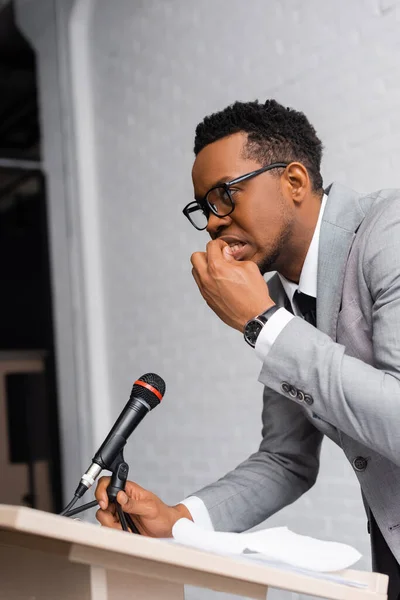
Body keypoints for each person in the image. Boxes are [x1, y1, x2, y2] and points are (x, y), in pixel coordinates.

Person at [95, 99, 400, 599]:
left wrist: (263, 325)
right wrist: (180, 521)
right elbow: (286, 459)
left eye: (224, 196)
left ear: (295, 182)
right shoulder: (281, 297)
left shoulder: (389, 234)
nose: (213, 223)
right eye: (203, 207)